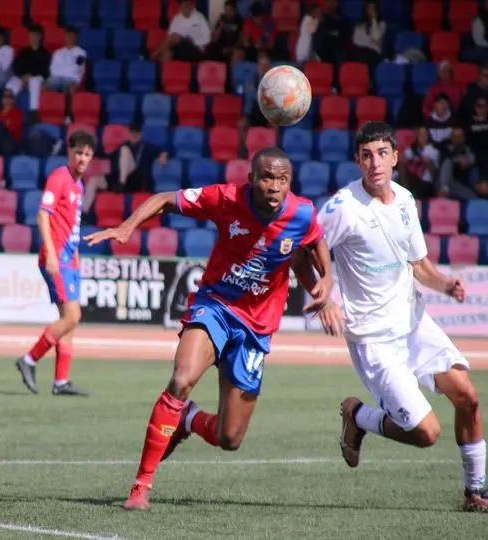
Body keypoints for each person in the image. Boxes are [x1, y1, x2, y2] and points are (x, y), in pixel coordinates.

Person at [85, 147, 335, 510]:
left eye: (282, 180)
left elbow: (314, 241)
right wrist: (127, 227)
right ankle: (141, 486)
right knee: (181, 379)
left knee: (229, 438)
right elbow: (163, 199)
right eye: (267, 178)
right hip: (215, 306)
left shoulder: (302, 212)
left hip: (256, 328)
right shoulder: (224, 197)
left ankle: (188, 420)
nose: (274, 186)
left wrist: (325, 281)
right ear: (251, 179)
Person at [316, 121, 488, 514]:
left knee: (468, 397)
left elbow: (419, 264)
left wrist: (444, 284)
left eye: (382, 153)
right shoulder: (343, 207)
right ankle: (359, 415)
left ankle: (476, 492)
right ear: (357, 160)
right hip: (374, 338)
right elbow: (308, 243)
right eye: (366, 155)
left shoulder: (405, 200)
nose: (375, 163)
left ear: (395, 157)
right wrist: (325, 295)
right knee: (426, 433)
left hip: (414, 323)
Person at [14, 130, 96, 397]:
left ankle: (61, 381)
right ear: (69, 152)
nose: (82, 158)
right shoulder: (60, 177)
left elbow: (70, 225)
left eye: (87, 154)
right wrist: (50, 253)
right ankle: (29, 360)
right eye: (78, 153)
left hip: (68, 259)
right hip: (56, 257)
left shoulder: (79, 184)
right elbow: (42, 216)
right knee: (72, 316)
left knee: (69, 321)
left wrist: (75, 256)